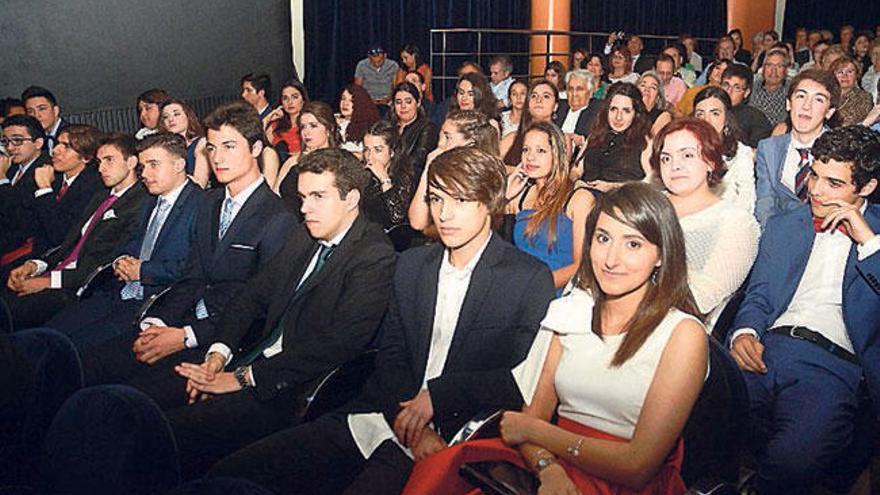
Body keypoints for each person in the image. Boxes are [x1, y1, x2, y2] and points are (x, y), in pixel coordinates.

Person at [206, 146, 556, 495]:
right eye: (436, 199)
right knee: (233, 473)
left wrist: (437, 398)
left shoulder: (527, 278)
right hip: (380, 413)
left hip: (455, 434)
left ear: (490, 203)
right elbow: (390, 353)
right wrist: (410, 417)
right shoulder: (413, 265)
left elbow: (516, 379)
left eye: (460, 201)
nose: (445, 214)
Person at [401, 182, 708, 495]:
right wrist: (549, 468)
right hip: (549, 467)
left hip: (621, 484)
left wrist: (540, 434)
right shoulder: (570, 311)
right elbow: (526, 424)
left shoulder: (682, 334)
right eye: (603, 239)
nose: (611, 259)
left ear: (660, 254)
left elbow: (636, 467)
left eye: (633, 244)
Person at [168, 147, 396, 478]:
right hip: (249, 358)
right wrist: (218, 354)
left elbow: (340, 343)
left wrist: (243, 378)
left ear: (351, 200)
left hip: (294, 388)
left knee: (178, 432)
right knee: (155, 401)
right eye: (303, 197)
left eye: (318, 196)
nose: (305, 208)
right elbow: (252, 295)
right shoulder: (305, 234)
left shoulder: (374, 255)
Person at [79, 102, 296, 405]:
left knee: (124, 401)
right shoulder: (209, 203)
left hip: (225, 342)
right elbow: (192, 275)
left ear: (257, 147)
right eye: (212, 147)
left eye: (230, 146)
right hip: (179, 317)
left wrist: (186, 335)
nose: (218, 158)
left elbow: (260, 309)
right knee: (87, 369)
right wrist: (157, 323)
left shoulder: (279, 218)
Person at [728, 125, 880, 494]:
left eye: (833, 183)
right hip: (769, 347)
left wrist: (869, 243)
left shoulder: (878, 234)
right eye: (814, 174)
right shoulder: (785, 224)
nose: (815, 189)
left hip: (835, 366)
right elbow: (760, 295)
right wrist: (744, 332)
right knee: (697, 416)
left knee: (792, 463)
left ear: (867, 187)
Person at [42, 133, 204, 350]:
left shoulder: (202, 205)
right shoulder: (151, 199)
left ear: (179, 165)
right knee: (49, 335)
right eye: (144, 165)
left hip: (153, 303)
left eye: (153, 165)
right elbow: (132, 241)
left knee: (72, 351)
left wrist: (143, 271)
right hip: (119, 290)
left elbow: (196, 268)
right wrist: (122, 260)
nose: (144, 174)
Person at [3, 129, 147, 329]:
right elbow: (69, 244)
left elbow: (103, 264)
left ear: (131, 162)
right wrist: (35, 265)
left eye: (109, 160)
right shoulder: (100, 195)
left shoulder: (139, 204)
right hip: (58, 272)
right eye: (100, 162)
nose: (101, 169)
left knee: (9, 314)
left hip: (77, 288)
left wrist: (48, 281)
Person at [652, 118, 759, 317]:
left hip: (676, 325)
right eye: (666, 158)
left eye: (687, 155)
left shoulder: (735, 223)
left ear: (710, 161)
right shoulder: (647, 206)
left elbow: (702, 300)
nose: (675, 166)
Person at [506, 121, 593, 291]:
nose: (530, 157)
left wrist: (534, 288)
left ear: (557, 154)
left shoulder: (579, 198)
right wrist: (505, 196)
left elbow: (581, 266)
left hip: (557, 294)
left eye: (540, 150)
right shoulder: (520, 196)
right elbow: (480, 234)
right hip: (519, 287)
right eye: (526, 150)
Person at [4, 123, 104, 260]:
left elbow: (60, 236)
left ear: (86, 157)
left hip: (64, 258)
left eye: (67, 146)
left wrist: (45, 188)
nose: (56, 150)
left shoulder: (94, 187)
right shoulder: (54, 176)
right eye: (57, 144)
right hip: (36, 250)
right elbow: (25, 222)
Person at [755, 69, 840, 227]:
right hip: (778, 232)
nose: (806, 106)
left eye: (818, 100)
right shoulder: (768, 148)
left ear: (829, 112)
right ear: (788, 103)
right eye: (801, 96)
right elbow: (765, 202)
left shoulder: (841, 151)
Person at [408, 109, 499, 232]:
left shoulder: (481, 176)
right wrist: (428, 169)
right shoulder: (443, 169)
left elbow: (419, 224)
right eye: (441, 136)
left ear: (470, 142)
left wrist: (430, 231)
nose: (440, 144)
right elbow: (417, 221)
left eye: (447, 137)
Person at [574, 82, 652, 192]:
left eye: (626, 111)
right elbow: (576, 171)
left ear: (636, 114)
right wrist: (576, 181)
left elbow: (652, 182)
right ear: (606, 111)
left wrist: (613, 187)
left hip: (622, 200)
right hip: (585, 194)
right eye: (613, 109)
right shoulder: (595, 136)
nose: (618, 117)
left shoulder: (644, 142)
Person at [693, 87, 757, 213]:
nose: (707, 120)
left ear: (726, 118)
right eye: (700, 113)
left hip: (728, 221)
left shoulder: (741, 152)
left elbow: (747, 198)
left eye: (715, 113)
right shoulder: (682, 148)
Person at [0, 115, 52, 262]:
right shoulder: (11, 168)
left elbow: (20, 219)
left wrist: (2, 180)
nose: (10, 148)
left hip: (25, 245)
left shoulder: (45, 170)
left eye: (17, 140)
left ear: (38, 143)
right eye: (5, 141)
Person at [276, 101, 340, 212]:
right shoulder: (292, 161)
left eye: (313, 126)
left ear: (329, 129)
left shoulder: (339, 162)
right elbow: (275, 196)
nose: (306, 132)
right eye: (303, 127)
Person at [361, 120, 414, 231]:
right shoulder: (362, 173)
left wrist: (384, 180)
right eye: (366, 150)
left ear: (392, 151)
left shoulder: (403, 176)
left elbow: (397, 217)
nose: (370, 156)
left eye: (378, 150)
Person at [501, 79, 558, 167]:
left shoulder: (562, 140)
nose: (539, 100)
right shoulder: (512, 137)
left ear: (555, 106)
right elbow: (492, 166)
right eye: (534, 96)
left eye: (546, 96)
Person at [391, 81, 438, 178]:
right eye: (398, 102)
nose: (403, 106)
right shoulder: (388, 127)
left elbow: (417, 162)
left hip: (412, 181)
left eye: (408, 101)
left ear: (418, 102)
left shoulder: (428, 128)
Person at [159, 98, 210, 187]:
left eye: (176, 114)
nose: (170, 119)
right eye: (165, 117)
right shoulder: (163, 148)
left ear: (188, 117)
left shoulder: (201, 143)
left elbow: (200, 183)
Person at [721, 64, 773, 148]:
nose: (729, 91)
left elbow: (759, 152)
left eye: (736, 88)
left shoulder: (756, 119)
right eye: (726, 85)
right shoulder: (707, 109)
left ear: (746, 93)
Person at [263, 78, 309, 166]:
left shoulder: (310, 125)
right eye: (285, 98)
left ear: (303, 100)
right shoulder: (275, 126)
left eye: (295, 97)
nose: (290, 102)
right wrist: (268, 118)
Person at [554, 70, 599, 157]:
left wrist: (582, 141)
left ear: (590, 92)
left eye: (579, 89)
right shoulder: (559, 107)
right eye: (570, 89)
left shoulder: (597, 110)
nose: (574, 94)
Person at [749, 48, 792, 126]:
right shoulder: (752, 85)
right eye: (769, 65)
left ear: (786, 70)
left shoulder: (792, 90)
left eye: (779, 66)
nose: (773, 70)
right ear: (763, 68)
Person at [21, 86, 67, 155]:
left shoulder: (71, 134)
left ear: (56, 110)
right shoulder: (35, 138)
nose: (36, 115)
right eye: (30, 111)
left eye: (42, 109)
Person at [336, 84, 380, 154]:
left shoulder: (369, 126)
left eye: (351, 100)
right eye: (343, 99)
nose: (345, 103)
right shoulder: (334, 122)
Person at [830, 56, 873, 126]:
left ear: (856, 76)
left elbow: (849, 122)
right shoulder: (826, 94)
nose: (845, 76)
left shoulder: (865, 98)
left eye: (850, 72)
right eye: (840, 72)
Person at [355, 44, 400, 110]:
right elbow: (358, 88)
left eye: (379, 62)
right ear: (369, 57)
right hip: (368, 100)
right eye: (373, 62)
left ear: (385, 56)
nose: (376, 64)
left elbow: (396, 87)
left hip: (388, 101)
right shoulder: (361, 65)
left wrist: (388, 98)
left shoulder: (393, 65)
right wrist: (368, 100)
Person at [637, 71, 673, 138]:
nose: (647, 89)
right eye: (643, 85)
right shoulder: (628, 111)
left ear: (658, 97)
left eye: (653, 87)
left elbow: (654, 143)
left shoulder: (664, 116)